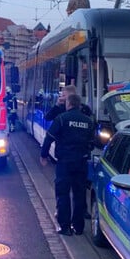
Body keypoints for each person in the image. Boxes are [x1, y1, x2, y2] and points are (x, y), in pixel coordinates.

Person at [41, 94, 96, 236]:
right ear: (79, 105)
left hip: (64, 163)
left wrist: (44, 155)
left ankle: (65, 227)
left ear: (69, 104)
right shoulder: (88, 121)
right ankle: (78, 227)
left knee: (63, 193)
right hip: (81, 163)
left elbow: (49, 137)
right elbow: (93, 142)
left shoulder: (62, 119)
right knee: (79, 194)